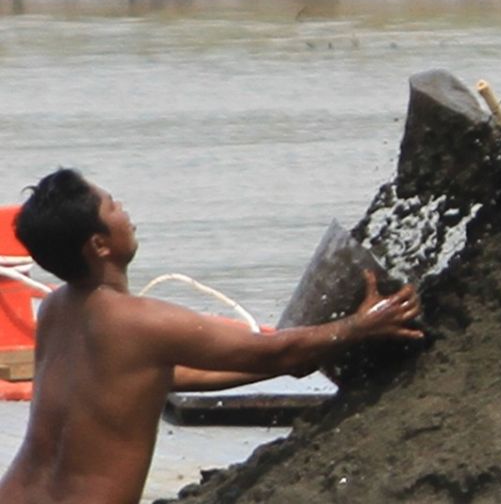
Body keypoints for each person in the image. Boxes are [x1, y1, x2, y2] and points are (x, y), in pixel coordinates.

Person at [0, 168, 424, 504]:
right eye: (113, 206)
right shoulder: (140, 321)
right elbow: (269, 353)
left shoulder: (57, 311)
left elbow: (154, 380)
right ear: (100, 244)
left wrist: (290, 363)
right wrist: (361, 325)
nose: (125, 210)